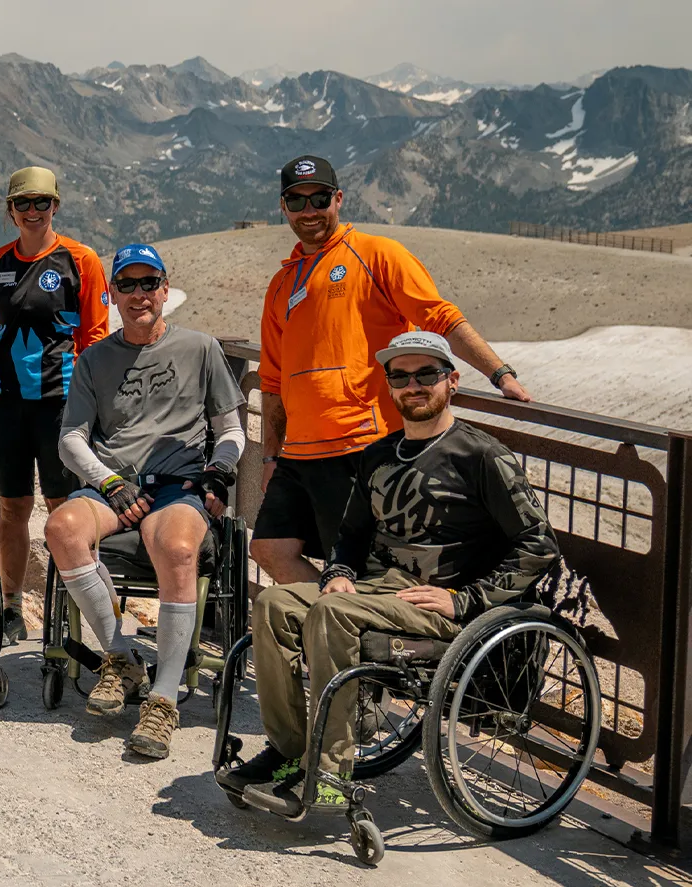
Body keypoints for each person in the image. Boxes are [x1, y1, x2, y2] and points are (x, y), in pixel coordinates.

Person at [221, 330, 558, 813]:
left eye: (426, 374)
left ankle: (332, 775)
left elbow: (538, 544)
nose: (412, 385)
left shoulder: (480, 456)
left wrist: (464, 600)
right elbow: (352, 535)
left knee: (333, 614)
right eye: (399, 376)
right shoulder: (380, 454)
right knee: (274, 603)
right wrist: (337, 569)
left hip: (441, 604)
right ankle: (290, 752)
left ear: (452, 380)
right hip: (380, 590)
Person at [253, 155, 533, 587]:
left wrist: (500, 374)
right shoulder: (281, 283)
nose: (309, 210)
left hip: (359, 445)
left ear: (338, 199)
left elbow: (438, 316)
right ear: (284, 207)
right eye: (297, 200)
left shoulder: (377, 254)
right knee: (267, 549)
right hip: (299, 454)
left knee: (353, 570)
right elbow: (272, 381)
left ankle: (342, 643)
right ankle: (327, 634)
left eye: (320, 198)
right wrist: (272, 455)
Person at [45, 244, 245, 760]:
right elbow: (72, 438)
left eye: (147, 283)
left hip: (177, 483)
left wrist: (220, 470)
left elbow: (230, 428)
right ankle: (122, 654)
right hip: (116, 482)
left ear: (164, 288)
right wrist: (111, 484)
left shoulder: (200, 348)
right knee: (62, 529)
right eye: (127, 285)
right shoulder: (94, 358)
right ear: (113, 293)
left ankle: (163, 698)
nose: (138, 295)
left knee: (177, 548)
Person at [0, 166, 109, 642]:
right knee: (12, 507)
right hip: (4, 403)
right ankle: (9, 606)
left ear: (55, 207)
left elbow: (94, 338)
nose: (32, 212)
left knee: (64, 505)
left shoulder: (82, 260)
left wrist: (94, 408)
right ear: (10, 210)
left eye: (41, 203)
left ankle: (70, 605)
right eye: (22, 203)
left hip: (62, 405)